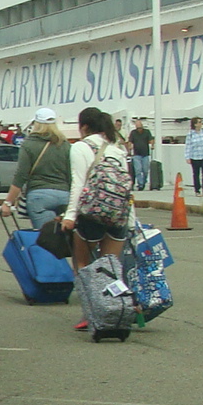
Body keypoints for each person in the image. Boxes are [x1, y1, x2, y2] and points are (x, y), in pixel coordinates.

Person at [60, 106, 131, 331]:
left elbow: (78, 184)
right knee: (111, 268)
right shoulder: (117, 148)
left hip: (91, 215)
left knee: (83, 265)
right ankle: (114, 311)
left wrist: (70, 216)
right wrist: (130, 219)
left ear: (84, 127)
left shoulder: (80, 147)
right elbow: (126, 187)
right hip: (118, 215)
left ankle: (91, 314)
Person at [0, 107, 73, 230]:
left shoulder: (29, 144)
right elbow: (71, 174)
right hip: (64, 195)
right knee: (64, 241)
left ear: (36, 124)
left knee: (45, 238)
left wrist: (8, 203)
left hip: (39, 195)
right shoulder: (65, 145)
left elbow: (21, 175)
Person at [184, 116, 203, 196]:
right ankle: (197, 190)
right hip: (195, 156)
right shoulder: (190, 134)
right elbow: (188, 146)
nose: (201, 124)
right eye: (199, 122)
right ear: (195, 124)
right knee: (196, 174)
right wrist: (187, 157)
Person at [128, 118, 154, 192]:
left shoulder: (147, 132)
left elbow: (151, 139)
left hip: (145, 154)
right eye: (138, 128)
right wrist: (129, 148)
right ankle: (140, 184)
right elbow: (130, 141)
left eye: (140, 127)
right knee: (138, 170)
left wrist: (152, 145)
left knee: (145, 170)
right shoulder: (133, 133)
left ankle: (144, 182)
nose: (139, 129)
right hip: (136, 154)